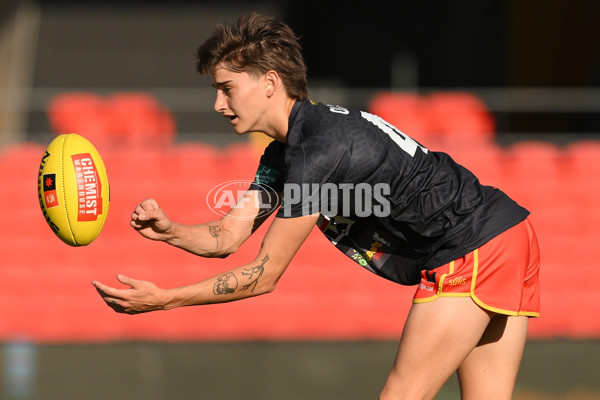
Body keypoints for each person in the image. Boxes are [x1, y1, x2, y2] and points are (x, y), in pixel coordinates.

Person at [92, 12, 540, 400]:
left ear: (270, 83)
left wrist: (166, 300)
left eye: (226, 88)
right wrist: (170, 230)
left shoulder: (318, 151)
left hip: (474, 244)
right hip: (505, 232)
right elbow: (227, 236)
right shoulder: (289, 149)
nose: (217, 104)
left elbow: (263, 276)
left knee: (402, 395)